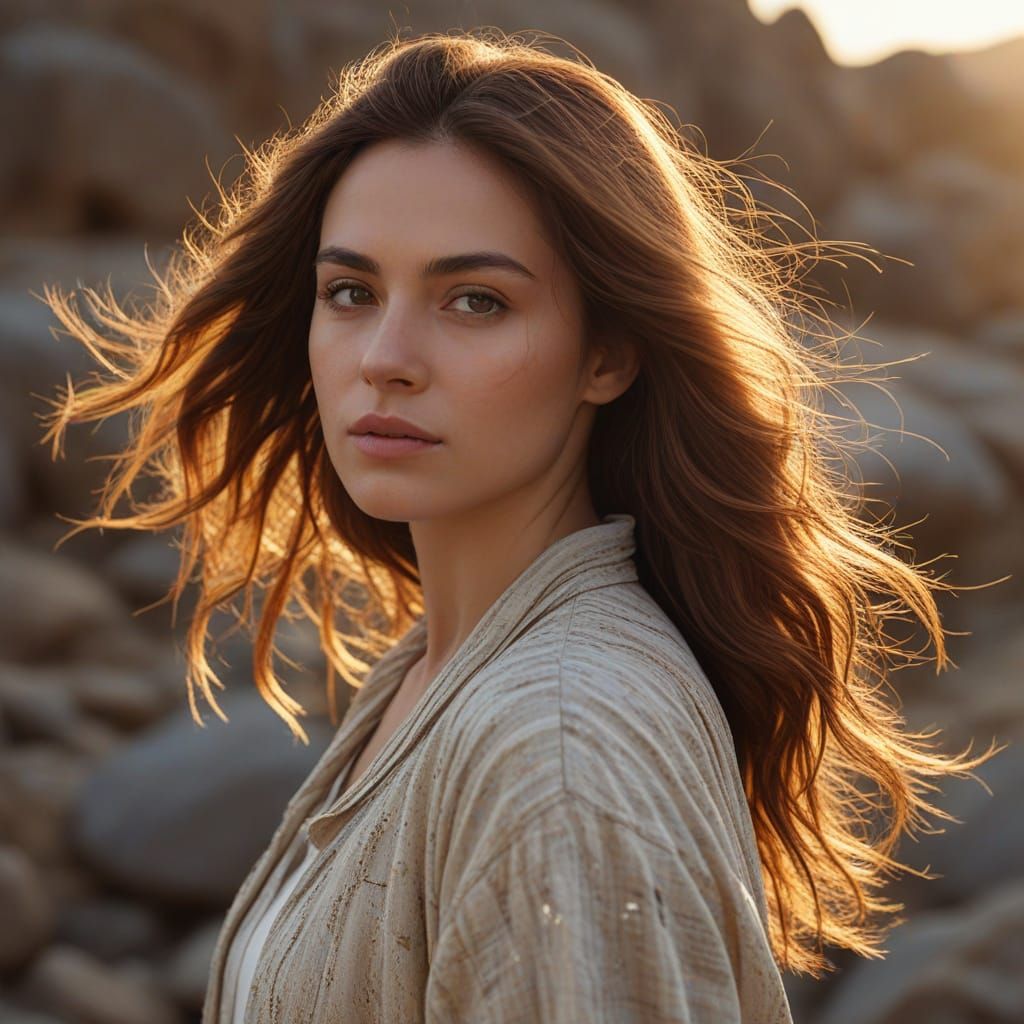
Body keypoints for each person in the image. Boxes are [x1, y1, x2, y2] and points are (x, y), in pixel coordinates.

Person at [38, 27, 1000, 1023]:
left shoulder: (555, 747)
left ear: (608, 354)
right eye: (351, 292)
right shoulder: (440, 675)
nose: (386, 355)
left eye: (475, 300)